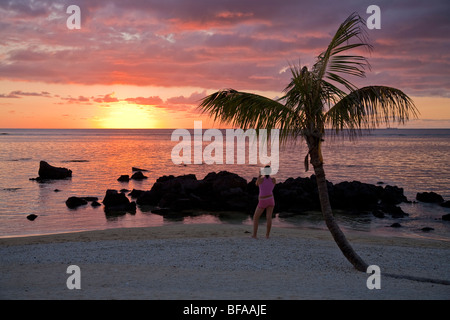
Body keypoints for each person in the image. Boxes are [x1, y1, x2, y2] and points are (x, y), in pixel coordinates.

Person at [252, 165, 276, 239]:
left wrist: (259, 175)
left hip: (262, 201)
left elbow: (256, 184)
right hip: (271, 199)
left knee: (255, 218)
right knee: (269, 218)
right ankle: (267, 235)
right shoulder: (274, 180)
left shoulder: (261, 180)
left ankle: (254, 235)